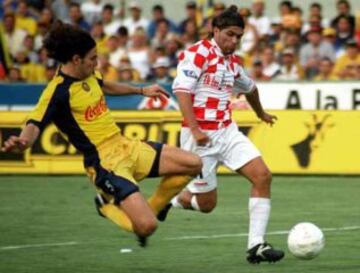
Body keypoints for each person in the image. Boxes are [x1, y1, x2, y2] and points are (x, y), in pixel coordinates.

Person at [1, 22, 202, 247]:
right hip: (105, 163)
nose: (96, 63)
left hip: (125, 145)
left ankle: (154, 207)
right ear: (76, 59)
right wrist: (24, 141)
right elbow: (34, 123)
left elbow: (104, 85)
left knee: (193, 163)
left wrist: (141, 90)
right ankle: (106, 206)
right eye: (92, 58)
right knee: (147, 227)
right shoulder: (57, 93)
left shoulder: (88, 73)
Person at [157, 6, 284, 264]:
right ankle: (170, 200)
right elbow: (181, 91)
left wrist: (261, 114)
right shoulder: (197, 53)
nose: (235, 40)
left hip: (227, 132)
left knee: (263, 176)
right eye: (230, 34)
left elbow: (250, 88)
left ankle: (256, 246)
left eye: (239, 36)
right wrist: (194, 129)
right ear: (215, 30)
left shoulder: (232, 63)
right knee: (207, 205)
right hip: (199, 138)